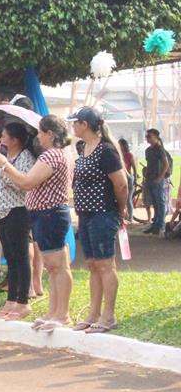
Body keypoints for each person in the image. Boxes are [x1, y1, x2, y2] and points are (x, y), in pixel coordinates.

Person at [0, 114, 74, 332]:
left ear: (50, 134)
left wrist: (6, 166)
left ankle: (62, 313)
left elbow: (27, 182)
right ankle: (54, 311)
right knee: (53, 266)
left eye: (41, 132)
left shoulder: (51, 156)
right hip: (45, 214)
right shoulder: (59, 154)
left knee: (57, 265)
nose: (38, 136)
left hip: (49, 213)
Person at [69, 107, 128, 334]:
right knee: (93, 264)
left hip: (103, 212)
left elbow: (121, 184)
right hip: (86, 214)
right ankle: (94, 313)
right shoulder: (83, 148)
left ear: (85, 124)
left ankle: (108, 315)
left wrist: (120, 211)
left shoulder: (106, 151)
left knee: (105, 264)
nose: (73, 127)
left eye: (75, 123)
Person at [0, 122, 36, 321]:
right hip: (2, 212)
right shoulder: (4, 158)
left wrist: (5, 168)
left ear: (14, 140)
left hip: (18, 211)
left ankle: (22, 300)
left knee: (21, 257)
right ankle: (11, 298)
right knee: (11, 258)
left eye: (4, 136)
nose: (1, 139)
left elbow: (22, 184)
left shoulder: (24, 158)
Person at [143, 128, 170, 235]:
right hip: (150, 179)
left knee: (160, 203)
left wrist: (160, 177)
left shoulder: (160, 149)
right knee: (155, 203)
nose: (147, 138)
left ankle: (160, 225)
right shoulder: (148, 150)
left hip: (158, 180)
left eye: (149, 136)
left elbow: (166, 164)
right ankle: (155, 225)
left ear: (156, 137)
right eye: (147, 136)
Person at [120, 138, 137, 223]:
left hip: (128, 177)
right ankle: (124, 216)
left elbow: (134, 167)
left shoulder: (129, 155)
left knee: (128, 199)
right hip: (120, 178)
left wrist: (135, 178)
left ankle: (130, 217)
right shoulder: (118, 154)